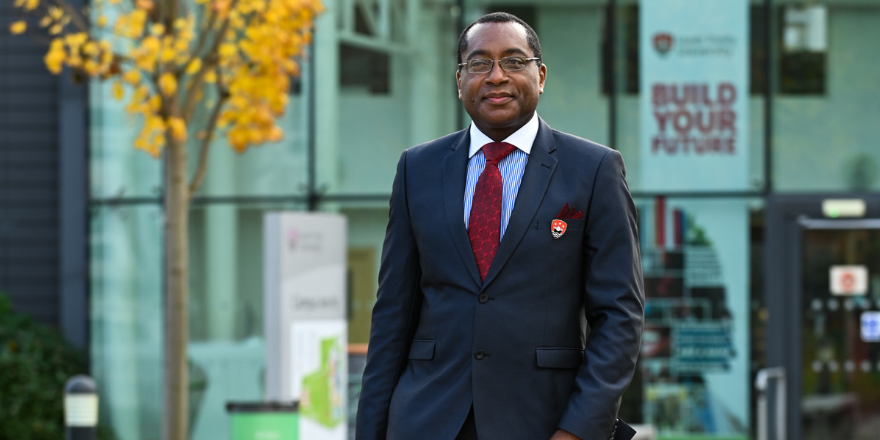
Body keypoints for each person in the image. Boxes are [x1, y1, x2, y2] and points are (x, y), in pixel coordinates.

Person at [356, 12, 644, 440]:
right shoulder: (417, 168)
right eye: (479, 63)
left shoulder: (593, 169)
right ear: (459, 81)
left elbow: (620, 315)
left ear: (540, 75)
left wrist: (580, 429)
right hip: (425, 419)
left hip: (543, 421)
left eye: (513, 61)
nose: (496, 76)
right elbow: (393, 317)